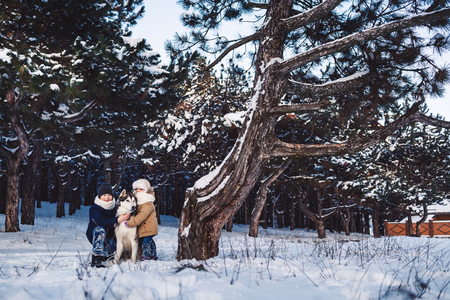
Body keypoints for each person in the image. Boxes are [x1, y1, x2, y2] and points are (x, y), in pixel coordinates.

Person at [86, 183, 130, 268]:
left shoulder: (115, 207)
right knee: (100, 229)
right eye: (104, 195)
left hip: (110, 237)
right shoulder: (95, 208)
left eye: (109, 195)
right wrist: (117, 220)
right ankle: (96, 258)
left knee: (113, 244)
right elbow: (99, 222)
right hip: (97, 235)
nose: (107, 197)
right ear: (99, 196)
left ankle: (105, 256)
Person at [125, 178, 158, 261]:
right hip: (143, 227)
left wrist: (130, 223)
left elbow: (142, 215)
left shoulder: (148, 202)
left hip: (148, 227)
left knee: (146, 242)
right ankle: (153, 254)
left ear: (146, 190)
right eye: (136, 189)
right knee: (149, 241)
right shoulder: (138, 200)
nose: (138, 191)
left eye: (141, 189)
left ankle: (146, 255)